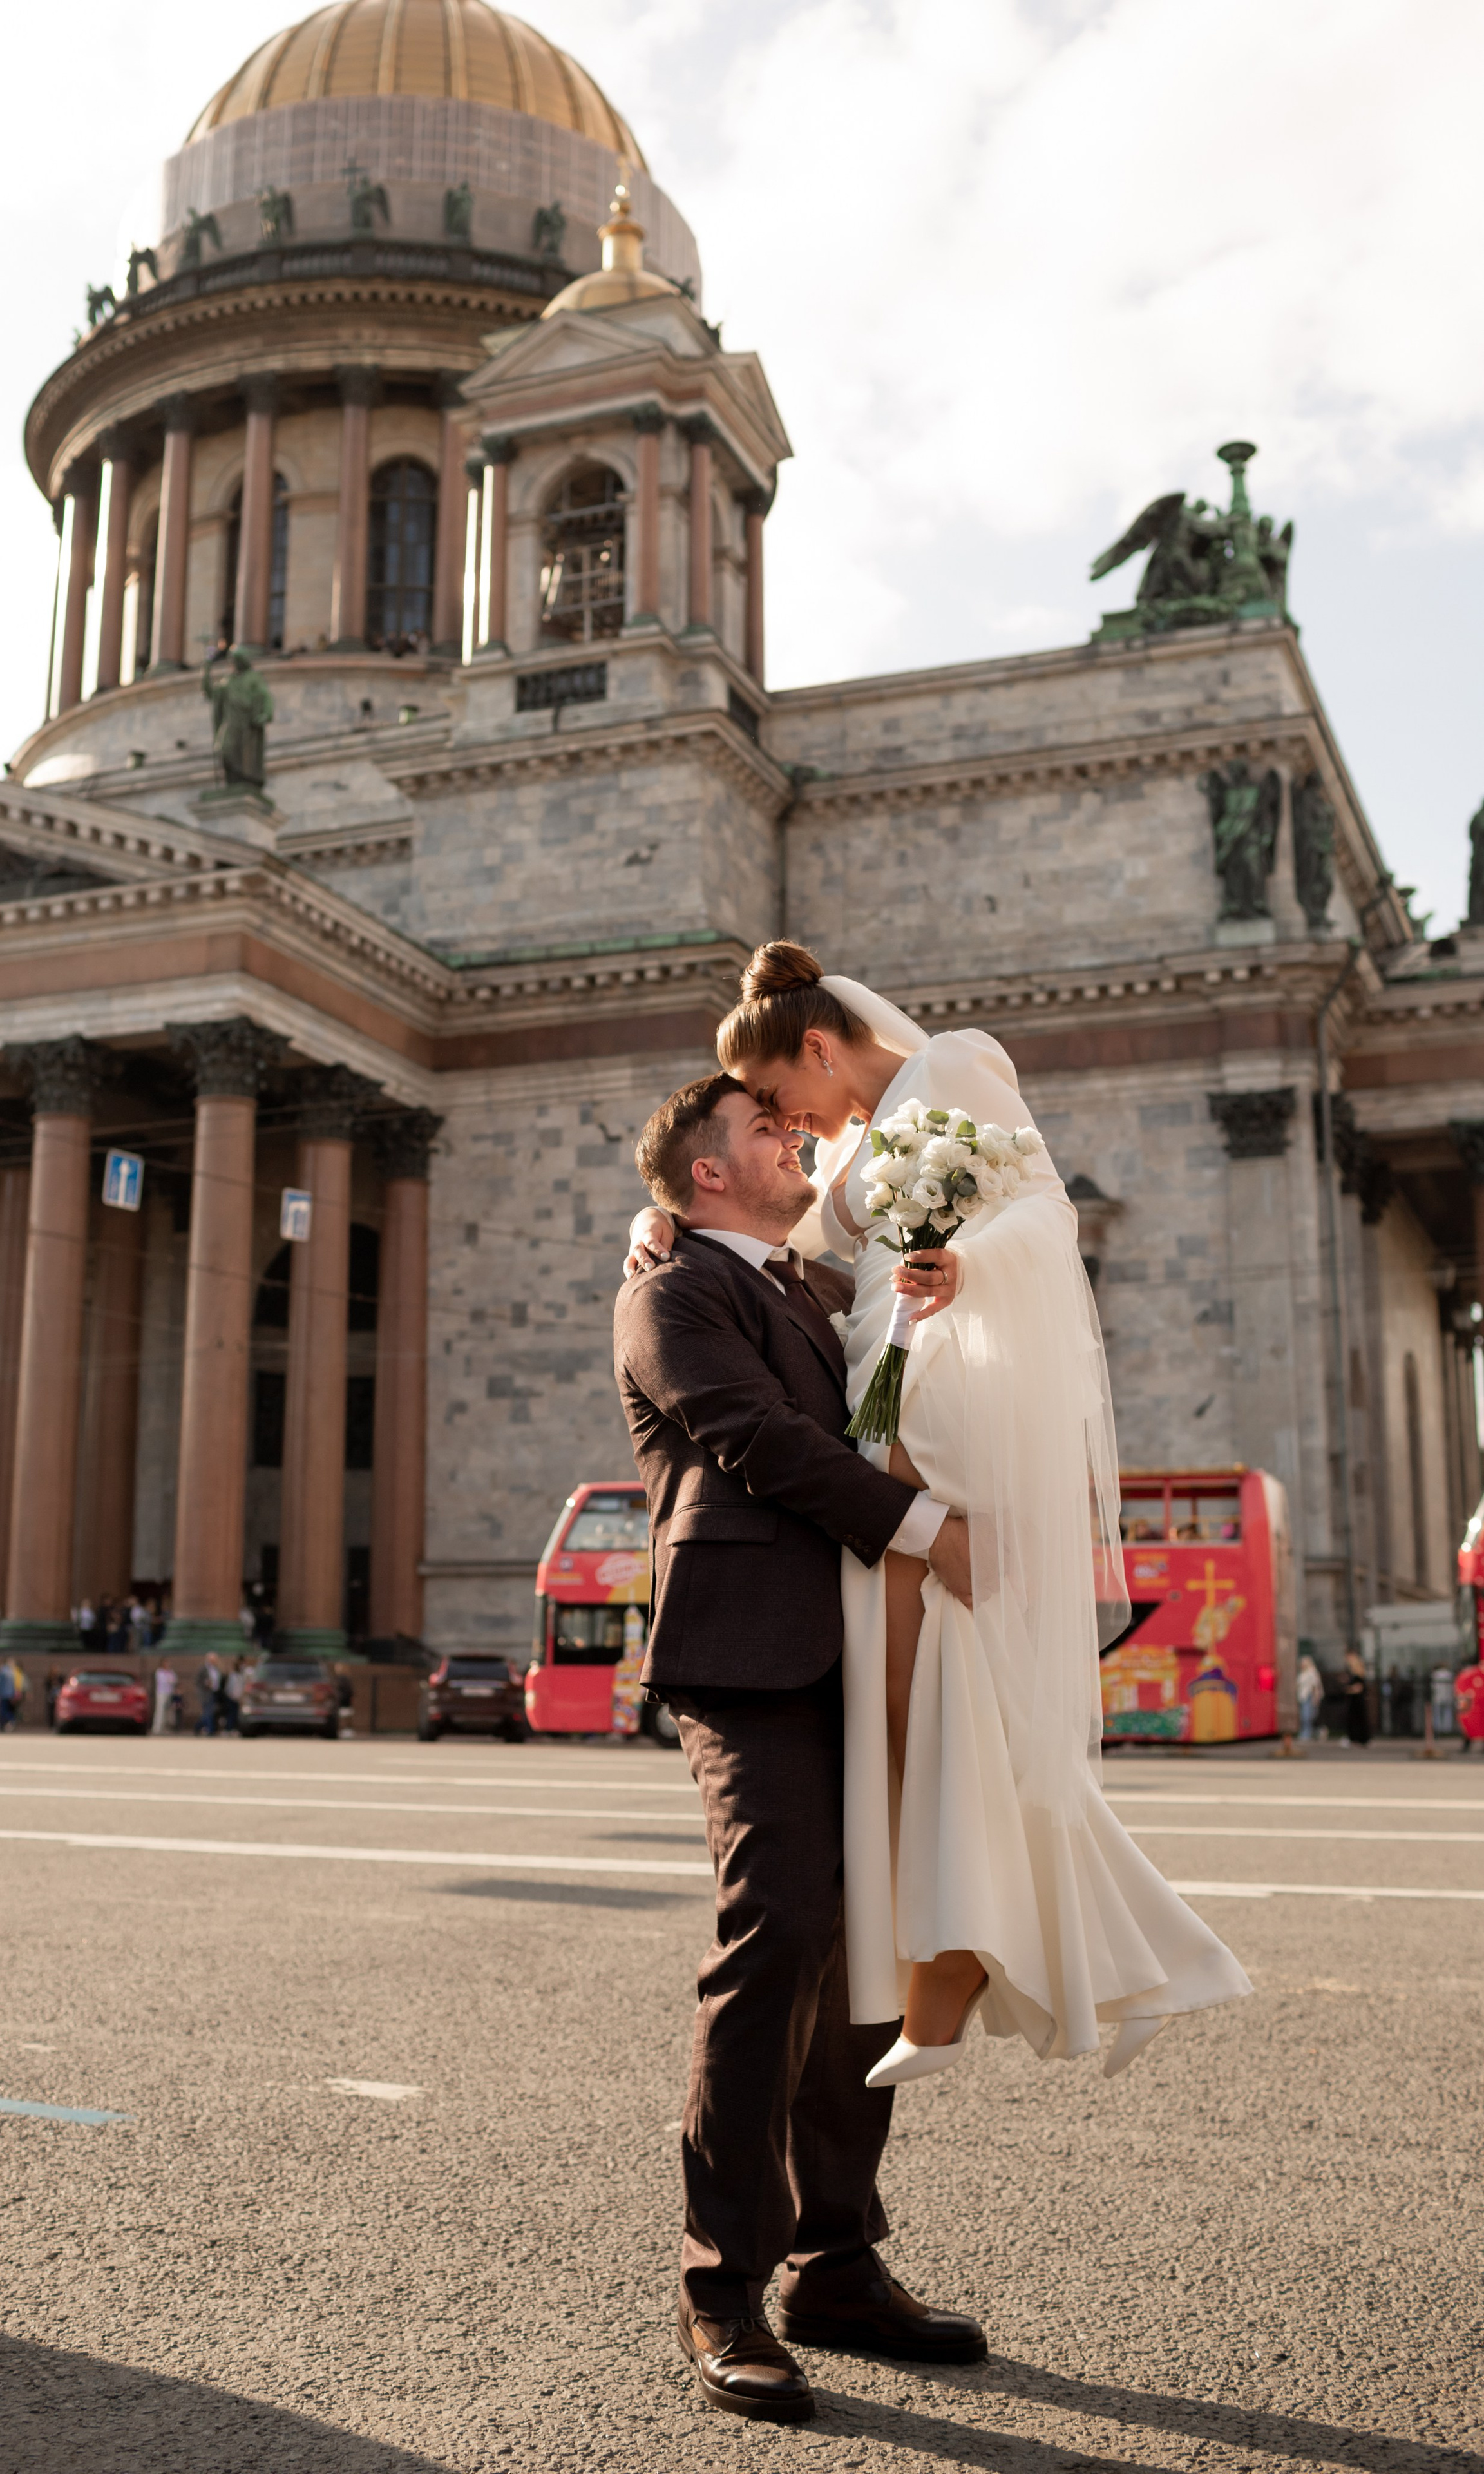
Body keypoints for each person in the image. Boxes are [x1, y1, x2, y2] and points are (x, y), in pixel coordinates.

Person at [628, 942, 1249, 2093]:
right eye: (766, 1119)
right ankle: (1066, 1958)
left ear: (817, 1047)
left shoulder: (956, 1067)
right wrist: (656, 1225)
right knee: (942, 1697)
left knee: (931, 1691)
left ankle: (980, 1963)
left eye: (779, 1099)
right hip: (882, 1388)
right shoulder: (856, 1142)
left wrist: (961, 1266)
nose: (788, 1125)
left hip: (940, 1388)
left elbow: (1046, 1218)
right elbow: (781, 1253)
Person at [614, 1072, 987, 2424]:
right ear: (706, 1174)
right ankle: (721, 2288)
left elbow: (889, 1402)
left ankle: (834, 2262)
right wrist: (923, 1529)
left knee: (866, 1946)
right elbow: (759, 1442)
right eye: (769, 1134)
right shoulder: (667, 1292)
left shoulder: (820, 1297)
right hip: (750, 1655)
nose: (801, 1143)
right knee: (775, 1933)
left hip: (865, 1650)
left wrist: (932, 1302)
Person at [1342, 1646, 1372, 1745]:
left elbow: (1358, 1689)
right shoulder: (1354, 1676)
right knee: (1355, 1720)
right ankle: (1356, 1738)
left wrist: (1348, 1689)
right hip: (1355, 1701)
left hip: (1357, 1701)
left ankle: (1360, 1739)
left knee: (1358, 1720)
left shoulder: (1358, 1676)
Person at [1297, 1651, 1324, 1742]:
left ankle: (1307, 1733)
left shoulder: (1312, 1672)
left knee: (1307, 1716)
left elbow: (1315, 1686)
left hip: (1309, 1696)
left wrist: (1316, 1698)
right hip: (1303, 1697)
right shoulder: (1303, 1673)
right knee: (1306, 1716)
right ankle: (1312, 1732)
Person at [152, 1656, 178, 1738]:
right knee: (160, 1711)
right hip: (161, 1693)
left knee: (168, 1711)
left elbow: (174, 1680)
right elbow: (163, 1681)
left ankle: (165, 1728)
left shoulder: (171, 1672)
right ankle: (157, 1729)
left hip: (169, 1693)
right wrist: (169, 1680)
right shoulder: (159, 1672)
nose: (168, 1664)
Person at [0, 1656, 21, 1732]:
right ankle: (8, 1723)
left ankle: (4, 1724)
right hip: (9, 1694)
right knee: (8, 1709)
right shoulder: (12, 1672)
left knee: (3, 1710)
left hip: (3, 1694)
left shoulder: (3, 1671)